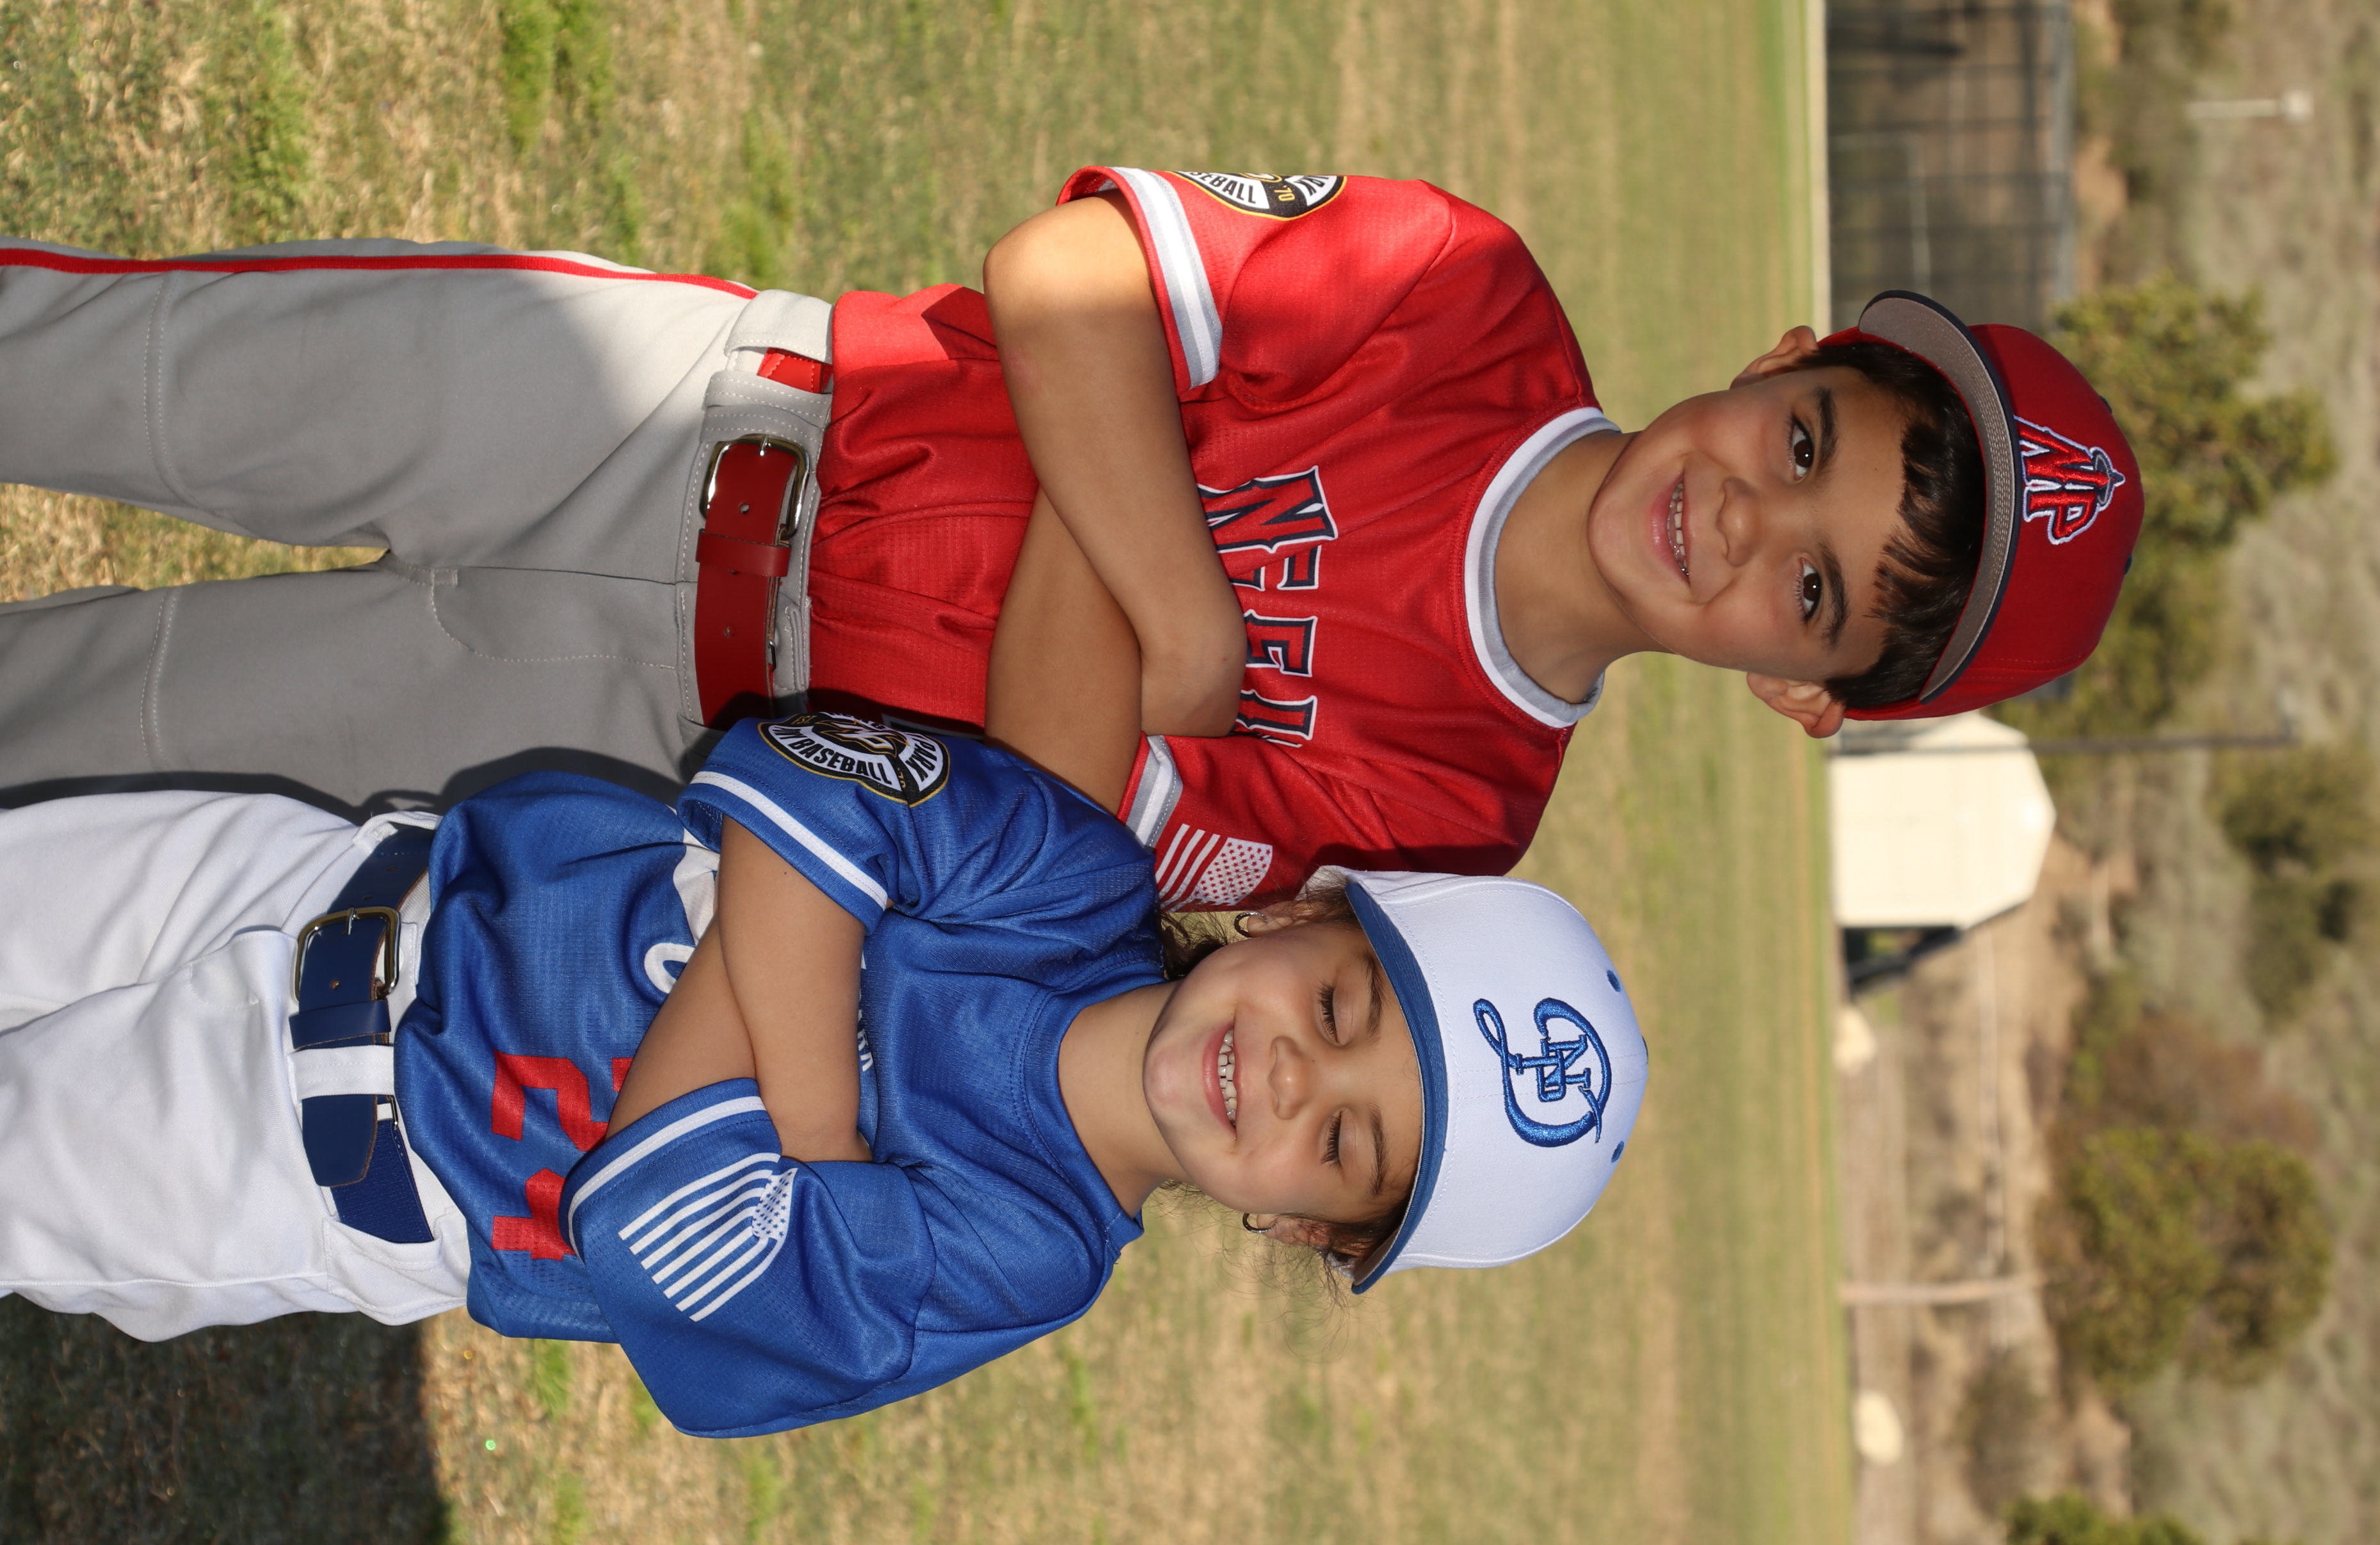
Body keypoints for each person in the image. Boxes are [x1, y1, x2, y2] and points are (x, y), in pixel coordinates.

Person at [0, 173, 2143, 904]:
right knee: (97, 365)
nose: (1743, 512)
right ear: (1778, 354)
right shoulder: (1460, 296)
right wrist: (1175, 611)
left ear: (1797, 695)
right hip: (698, 408)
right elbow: (1060, 282)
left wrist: (1119, 474)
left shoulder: (1452, 812)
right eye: (1802, 439)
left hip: (644, 742)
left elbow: (1038, 807)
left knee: (94, 761)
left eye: (1809, 590)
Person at [0, 712, 1648, 1438]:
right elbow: (798, 762)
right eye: (1342, 1003)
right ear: (1293, 913)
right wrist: (814, 1124)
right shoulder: (1073, 878)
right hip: (344, 877)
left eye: (1344, 1144)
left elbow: (662, 1231)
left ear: (1299, 1225)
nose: (1289, 1076)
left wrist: (797, 898)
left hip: (315, 1153)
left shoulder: (1024, 1250)